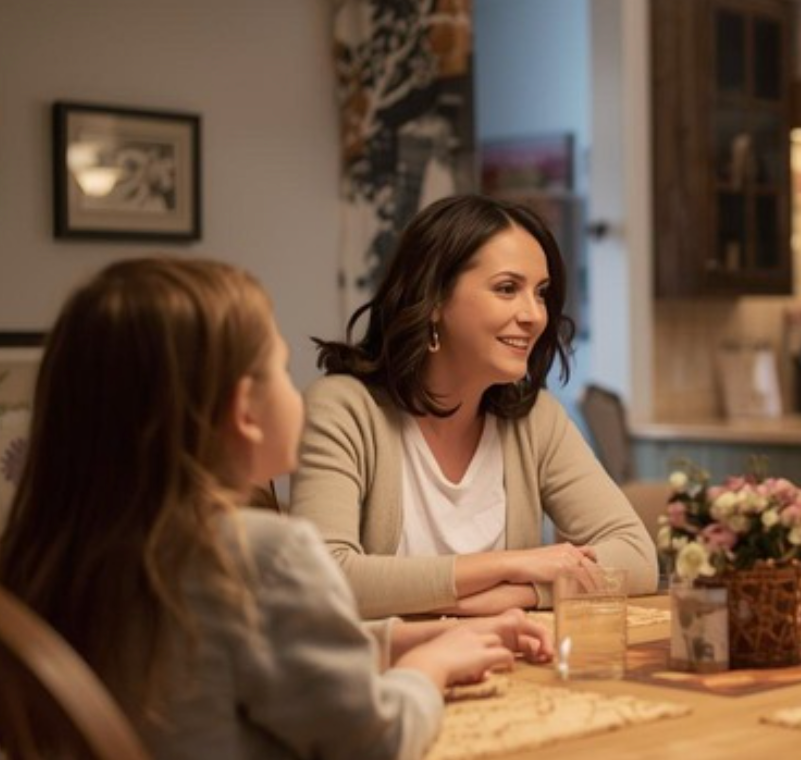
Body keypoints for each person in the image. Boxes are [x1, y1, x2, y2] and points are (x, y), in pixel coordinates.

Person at [0, 258, 552, 760]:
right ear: (246, 411)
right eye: (283, 370)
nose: (298, 393)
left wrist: (403, 640)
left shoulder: (65, 551)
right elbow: (376, 744)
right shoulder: (258, 556)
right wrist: (427, 669)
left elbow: (249, 657)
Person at [292, 194, 657, 619]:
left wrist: (520, 594)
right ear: (433, 299)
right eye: (507, 289)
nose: (535, 315)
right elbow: (324, 578)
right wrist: (510, 565)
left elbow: (636, 556)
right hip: (396, 662)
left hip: (507, 657)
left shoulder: (535, 419)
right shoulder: (342, 409)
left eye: (540, 293)